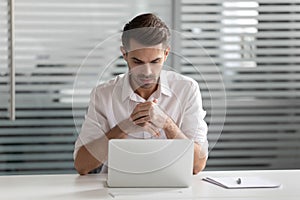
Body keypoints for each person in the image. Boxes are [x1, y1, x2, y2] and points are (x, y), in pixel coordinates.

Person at [74, 13, 208, 175]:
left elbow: (197, 165)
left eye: (155, 61)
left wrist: (167, 124)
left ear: (166, 54)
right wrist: (122, 128)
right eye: (138, 62)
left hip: (173, 190)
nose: (147, 72)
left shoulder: (187, 89)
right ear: (125, 54)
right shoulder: (103, 95)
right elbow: (82, 165)